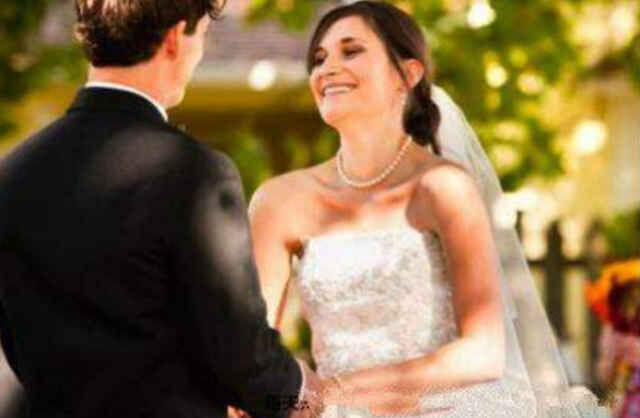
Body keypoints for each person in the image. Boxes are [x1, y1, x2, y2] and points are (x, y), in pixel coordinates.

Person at [248, 1, 612, 417]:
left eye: (351, 51)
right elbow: (253, 348)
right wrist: (291, 384)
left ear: (408, 74)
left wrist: (337, 391)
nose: (327, 69)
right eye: (319, 58)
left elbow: (483, 353)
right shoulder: (280, 200)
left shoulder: (443, 187)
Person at [0, 0, 325, 417]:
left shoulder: (12, 174)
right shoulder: (192, 171)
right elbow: (240, 357)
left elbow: (12, 341)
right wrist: (306, 395)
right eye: (201, 36)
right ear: (174, 39)